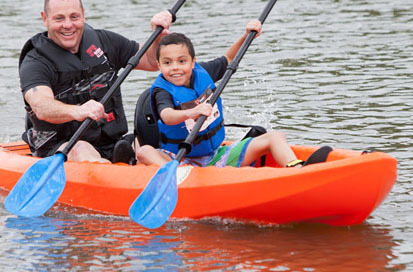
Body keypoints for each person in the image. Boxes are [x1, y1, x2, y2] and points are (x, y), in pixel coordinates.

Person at [136, 21, 332, 167]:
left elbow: (229, 59)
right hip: (181, 160)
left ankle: (296, 168)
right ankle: (176, 177)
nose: (175, 68)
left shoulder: (202, 72)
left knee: (275, 136)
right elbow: (167, 116)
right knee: (144, 151)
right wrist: (191, 112)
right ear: (159, 65)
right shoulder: (162, 90)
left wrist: (247, 36)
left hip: (215, 155)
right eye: (168, 63)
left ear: (192, 62)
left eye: (181, 61)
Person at [19, 0, 172, 163]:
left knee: (144, 148)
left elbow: (152, 62)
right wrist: (77, 111)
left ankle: (178, 177)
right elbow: (41, 106)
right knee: (81, 148)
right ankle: (113, 181)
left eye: (74, 17)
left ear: (83, 14)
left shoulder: (105, 42)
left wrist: (158, 35)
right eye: (59, 18)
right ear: (45, 19)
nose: (68, 25)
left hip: (111, 142)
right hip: (62, 146)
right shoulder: (35, 61)